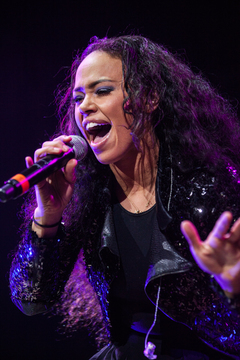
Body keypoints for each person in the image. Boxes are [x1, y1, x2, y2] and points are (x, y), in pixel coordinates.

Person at [9, 35, 240, 360]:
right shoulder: (87, 190)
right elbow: (31, 300)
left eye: (102, 91)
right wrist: (47, 217)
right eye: (78, 98)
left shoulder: (209, 187)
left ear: (149, 98)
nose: (85, 106)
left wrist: (234, 287)